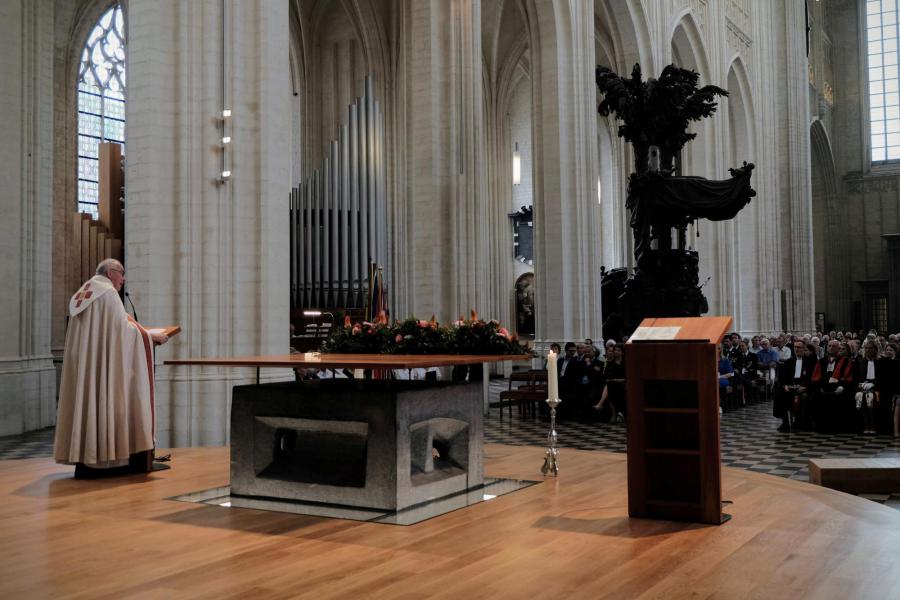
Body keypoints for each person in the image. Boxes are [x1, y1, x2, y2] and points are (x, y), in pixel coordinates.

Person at [54, 259, 170, 478]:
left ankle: (86, 459)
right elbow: (122, 333)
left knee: (90, 403)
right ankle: (107, 461)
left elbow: (112, 331)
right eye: (122, 273)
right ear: (110, 272)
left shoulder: (83, 293)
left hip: (88, 368)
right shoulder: (107, 294)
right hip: (103, 367)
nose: (123, 279)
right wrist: (149, 336)